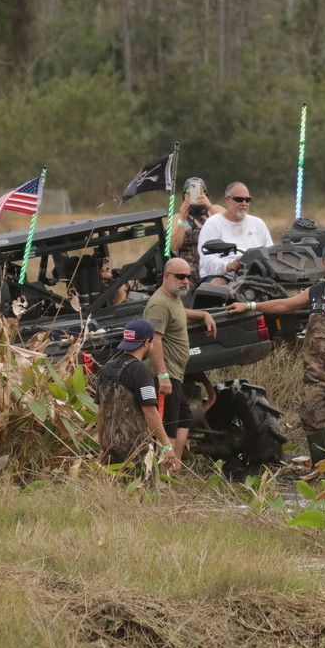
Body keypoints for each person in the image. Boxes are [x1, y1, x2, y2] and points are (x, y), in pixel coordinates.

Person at [228, 241, 325, 461]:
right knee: (312, 418)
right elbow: (285, 305)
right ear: (324, 264)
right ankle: (320, 466)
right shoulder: (315, 292)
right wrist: (250, 306)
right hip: (316, 375)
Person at [143, 257, 218, 470]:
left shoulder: (172, 298)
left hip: (176, 373)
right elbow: (154, 342)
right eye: (180, 276)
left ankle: (173, 466)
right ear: (166, 277)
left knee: (183, 418)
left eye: (188, 277)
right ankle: (163, 475)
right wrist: (163, 375)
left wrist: (203, 314)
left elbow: (178, 314)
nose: (186, 281)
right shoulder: (159, 304)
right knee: (168, 427)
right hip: (165, 375)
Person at [94, 319, 174, 466]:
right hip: (135, 451)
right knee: (141, 488)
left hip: (109, 448)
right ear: (147, 342)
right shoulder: (140, 370)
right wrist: (166, 445)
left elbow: (100, 413)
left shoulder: (106, 369)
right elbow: (150, 410)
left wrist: (102, 447)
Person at [196, 182, 273, 285]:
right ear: (227, 200)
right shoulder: (213, 223)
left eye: (247, 200)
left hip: (254, 275)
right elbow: (206, 259)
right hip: (223, 275)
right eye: (239, 199)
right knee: (217, 285)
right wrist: (228, 266)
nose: (244, 203)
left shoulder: (258, 223)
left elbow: (270, 254)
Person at [170, 177, 222, 285]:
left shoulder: (214, 210)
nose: (195, 196)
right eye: (191, 193)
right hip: (189, 272)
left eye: (199, 192)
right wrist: (182, 219)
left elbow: (228, 226)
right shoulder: (178, 218)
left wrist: (209, 206)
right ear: (184, 196)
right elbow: (174, 245)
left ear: (206, 194)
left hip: (213, 268)